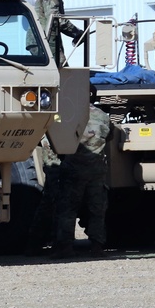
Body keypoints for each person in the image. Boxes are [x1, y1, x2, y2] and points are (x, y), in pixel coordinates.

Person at [51, 95, 111, 259]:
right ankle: (97, 247)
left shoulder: (69, 115)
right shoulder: (103, 116)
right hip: (96, 170)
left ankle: (65, 247)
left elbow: (59, 138)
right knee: (97, 209)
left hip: (73, 169)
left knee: (68, 210)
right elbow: (108, 135)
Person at [30, 0, 83, 65]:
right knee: (61, 68)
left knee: (60, 67)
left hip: (45, 37)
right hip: (44, 38)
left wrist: (76, 34)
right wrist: (76, 32)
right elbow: (55, 18)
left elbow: (58, 22)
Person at [22, 138, 63, 256]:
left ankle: (34, 244)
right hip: (54, 166)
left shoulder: (58, 124)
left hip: (54, 165)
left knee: (48, 205)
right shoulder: (55, 126)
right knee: (54, 206)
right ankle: (55, 244)